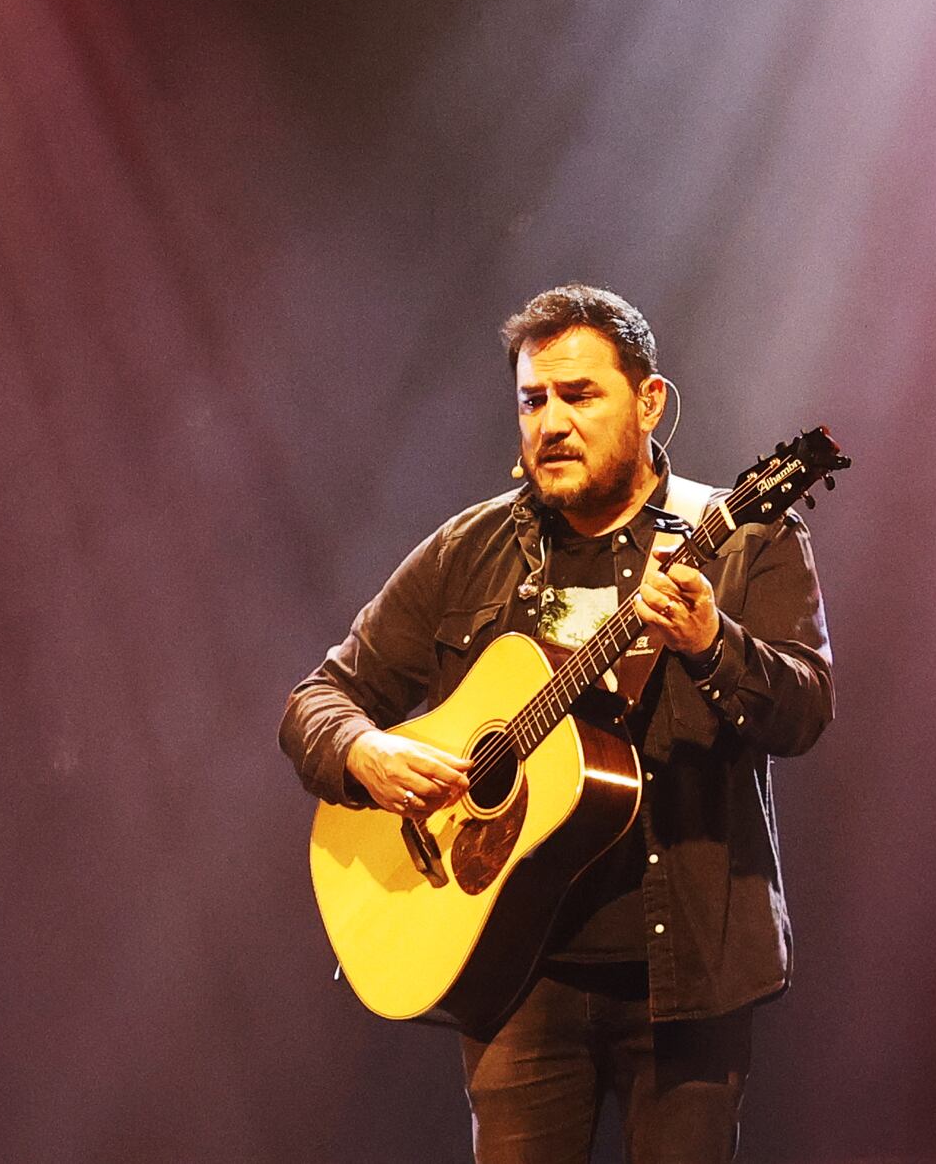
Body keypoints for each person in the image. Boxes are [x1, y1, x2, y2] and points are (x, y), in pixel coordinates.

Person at [283, 284, 831, 1164]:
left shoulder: (743, 536)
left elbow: (804, 709)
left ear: (649, 401)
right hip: (517, 976)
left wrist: (709, 641)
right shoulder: (469, 550)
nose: (551, 422)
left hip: (687, 977)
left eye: (579, 395)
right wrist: (365, 750)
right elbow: (318, 699)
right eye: (533, 400)